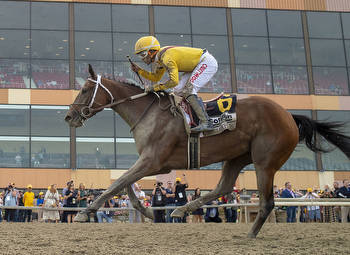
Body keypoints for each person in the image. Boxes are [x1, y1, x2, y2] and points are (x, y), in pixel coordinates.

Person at [131, 36, 218, 132]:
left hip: (206, 62)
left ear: (152, 51)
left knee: (189, 91)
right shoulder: (160, 59)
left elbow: (173, 81)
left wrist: (155, 88)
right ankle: (191, 118)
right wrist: (139, 71)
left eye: (143, 54)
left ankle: (206, 122)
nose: (142, 58)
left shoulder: (166, 58)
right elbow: (156, 78)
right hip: (196, 64)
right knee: (177, 90)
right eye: (139, 56)